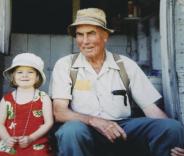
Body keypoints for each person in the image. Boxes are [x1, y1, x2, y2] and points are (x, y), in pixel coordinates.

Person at [51, 8, 184, 156]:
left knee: (171, 127)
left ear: (105, 36)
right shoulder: (65, 64)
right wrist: (94, 121)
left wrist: (174, 137)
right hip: (84, 127)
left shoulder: (125, 64)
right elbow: (59, 112)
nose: (85, 41)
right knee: (71, 131)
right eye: (80, 35)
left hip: (122, 127)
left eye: (91, 34)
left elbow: (151, 109)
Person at [0, 53, 54, 156]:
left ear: (37, 77)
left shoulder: (43, 98)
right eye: (19, 72)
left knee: (39, 154)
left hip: (35, 140)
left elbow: (48, 123)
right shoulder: (7, 99)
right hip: (9, 140)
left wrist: (31, 138)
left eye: (30, 72)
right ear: (13, 76)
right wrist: (6, 138)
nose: (25, 75)